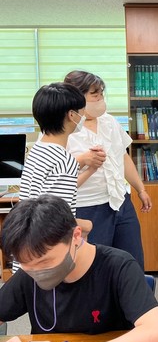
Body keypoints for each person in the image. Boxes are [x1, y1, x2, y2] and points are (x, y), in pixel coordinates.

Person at [0, 194, 158, 342]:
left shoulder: (119, 266)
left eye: (45, 262)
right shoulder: (28, 274)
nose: (37, 272)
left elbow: (153, 331)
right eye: (26, 264)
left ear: (76, 236)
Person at [64, 70, 151, 269]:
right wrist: (84, 160)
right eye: (95, 94)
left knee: (132, 263)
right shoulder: (64, 129)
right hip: (88, 208)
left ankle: (134, 301)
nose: (101, 98)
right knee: (96, 269)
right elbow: (58, 170)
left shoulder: (109, 122)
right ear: (77, 96)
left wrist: (140, 188)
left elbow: (122, 156)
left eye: (102, 93)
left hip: (120, 201)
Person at [17, 83, 96, 265]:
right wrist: (85, 225)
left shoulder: (38, 150)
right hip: (48, 255)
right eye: (81, 111)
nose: (83, 116)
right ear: (71, 115)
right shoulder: (63, 159)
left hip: (27, 249)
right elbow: (54, 221)